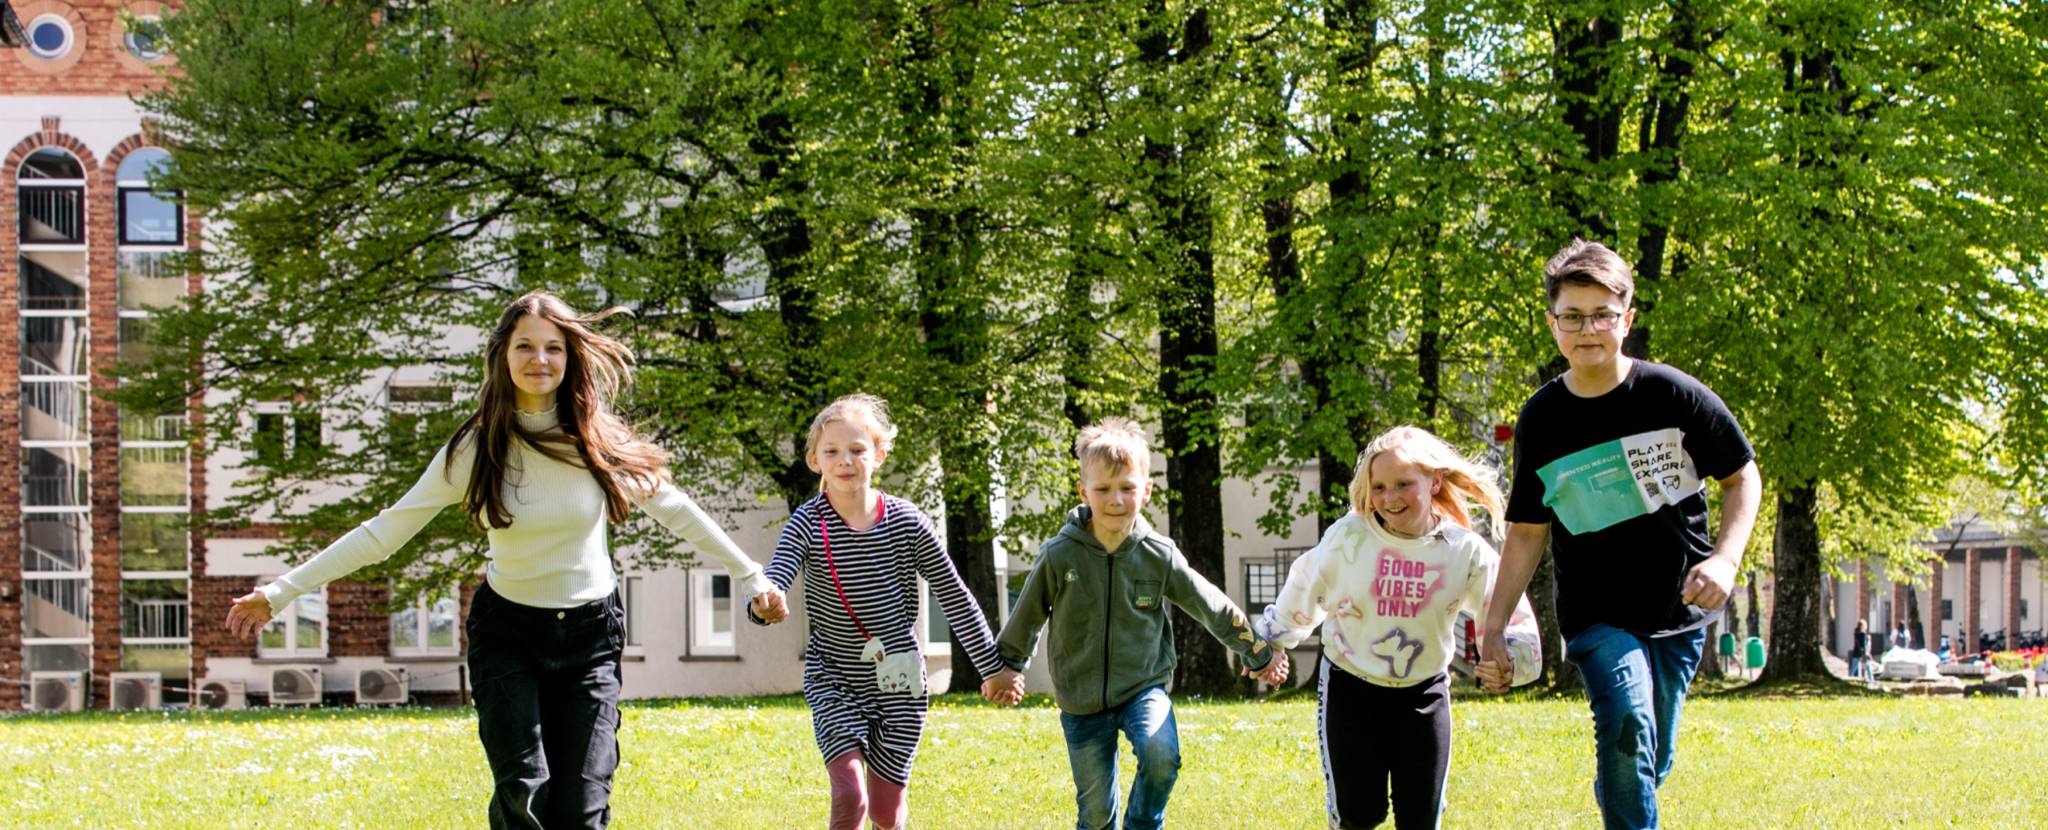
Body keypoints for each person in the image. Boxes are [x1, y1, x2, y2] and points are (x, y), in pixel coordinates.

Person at [223, 291, 787, 829]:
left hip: (590, 637)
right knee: (522, 790)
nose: (539, 359)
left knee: (582, 809)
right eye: (525, 345)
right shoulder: (476, 448)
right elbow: (384, 533)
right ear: (503, 356)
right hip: (508, 634)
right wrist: (280, 593)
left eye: (553, 347)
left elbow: (678, 510)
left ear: (570, 357)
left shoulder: (596, 442)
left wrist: (752, 575)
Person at [1478, 240, 1762, 830]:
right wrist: (1495, 624)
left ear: (1626, 320)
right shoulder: (1543, 418)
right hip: (1596, 613)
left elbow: (1742, 477)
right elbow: (1528, 530)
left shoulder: (1673, 395)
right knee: (1627, 721)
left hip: (1679, 607)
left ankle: (1619, 780)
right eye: (1572, 317)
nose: (1588, 329)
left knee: (1647, 757)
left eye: (1602, 314)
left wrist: (1727, 560)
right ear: (1552, 323)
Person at [991, 417, 1284, 830]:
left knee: (1160, 754)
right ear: (1083, 492)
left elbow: (1210, 604)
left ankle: (1143, 824)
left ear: (1146, 491)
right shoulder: (1060, 555)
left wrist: (1257, 652)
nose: (1116, 500)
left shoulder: (1157, 555)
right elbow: (1028, 614)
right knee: (1094, 816)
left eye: (1127, 488)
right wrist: (1006, 666)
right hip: (1080, 699)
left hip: (1143, 687)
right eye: (1104, 489)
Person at [1253, 426, 1540, 829]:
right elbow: (1303, 589)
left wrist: (1512, 659)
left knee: (1420, 818)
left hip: (1424, 693)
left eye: (1404, 484)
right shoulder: (1348, 539)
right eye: (1380, 486)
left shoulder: (1462, 550)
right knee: (1359, 814)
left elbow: (1508, 612)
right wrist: (1272, 644)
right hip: (1350, 688)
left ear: (1434, 481)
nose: (1390, 498)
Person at [749, 393, 1014, 830]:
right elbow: (775, 579)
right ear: (815, 460)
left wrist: (991, 668)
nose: (845, 461)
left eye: (857, 449)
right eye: (832, 451)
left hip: (900, 682)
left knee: (887, 812)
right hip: (834, 676)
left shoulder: (907, 522)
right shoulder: (807, 523)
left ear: (879, 455)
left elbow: (953, 594)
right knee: (850, 796)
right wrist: (763, 604)